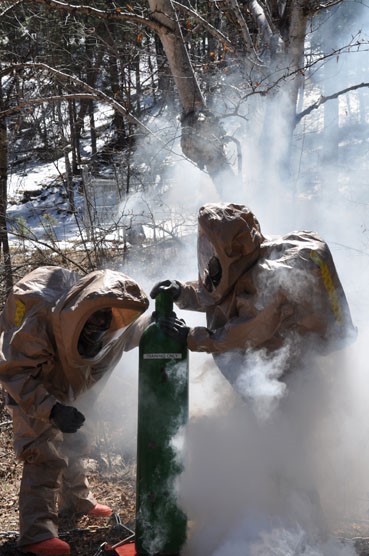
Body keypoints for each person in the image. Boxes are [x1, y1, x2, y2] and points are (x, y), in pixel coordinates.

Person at [0, 265, 149, 556]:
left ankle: (77, 499)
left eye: (103, 326)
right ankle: (36, 534)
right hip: (31, 381)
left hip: (65, 376)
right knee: (42, 452)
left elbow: (131, 332)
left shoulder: (105, 322)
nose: (98, 332)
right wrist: (52, 410)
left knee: (76, 439)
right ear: (80, 316)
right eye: (92, 326)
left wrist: (164, 323)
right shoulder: (38, 319)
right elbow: (15, 373)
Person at [151, 202, 357, 396]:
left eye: (215, 251)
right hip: (302, 347)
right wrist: (182, 291)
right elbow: (220, 292)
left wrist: (191, 337)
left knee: (227, 351)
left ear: (233, 249)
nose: (210, 257)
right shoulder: (252, 254)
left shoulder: (268, 279)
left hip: (305, 359)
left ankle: (276, 421)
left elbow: (242, 333)